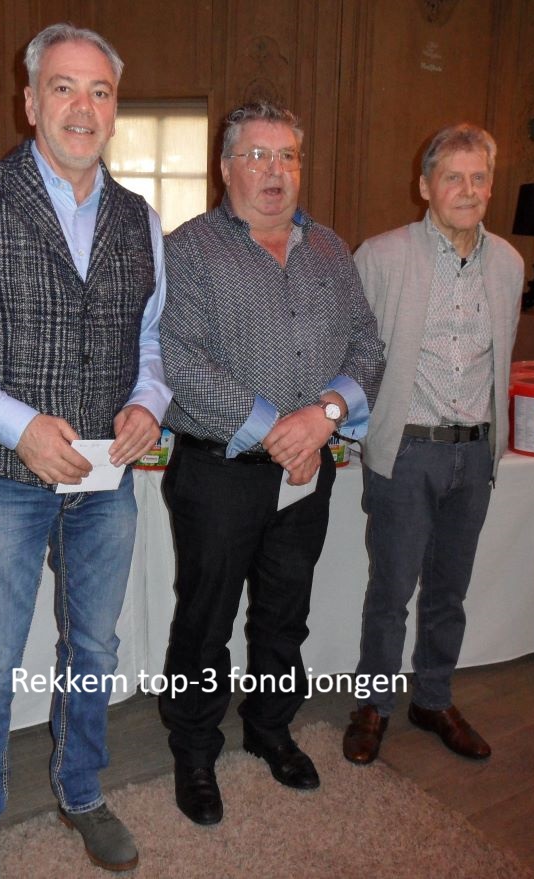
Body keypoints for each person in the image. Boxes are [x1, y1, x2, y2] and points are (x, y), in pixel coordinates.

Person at [0, 23, 169, 877]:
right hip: (0, 480)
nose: (82, 107)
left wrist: (149, 402)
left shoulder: (140, 218)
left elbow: (151, 343)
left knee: (95, 650)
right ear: (29, 102)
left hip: (105, 479)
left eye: (99, 91)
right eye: (63, 87)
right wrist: (18, 423)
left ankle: (80, 789)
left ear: (114, 107)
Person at [159, 100, 385, 827]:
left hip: (308, 469)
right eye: (257, 155)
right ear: (225, 167)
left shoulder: (331, 251)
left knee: (286, 612)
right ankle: (196, 747)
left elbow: (368, 348)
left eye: (287, 155)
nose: (274, 171)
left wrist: (323, 417)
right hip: (218, 473)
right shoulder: (188, 250)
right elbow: (175, 359)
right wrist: (277, 429)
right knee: (205, 619)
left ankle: (269, 727)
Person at [340, 124, 524, 767]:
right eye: (453, 177)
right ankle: (373, 704)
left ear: (490, 186)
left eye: (479, 178)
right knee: (391, 591)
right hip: (406, 450)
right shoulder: (381, 256)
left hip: (474, 454)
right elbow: (351, 350)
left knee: (450, 591)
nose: (467, 190)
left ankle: (434, 698)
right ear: (425, 186)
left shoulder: (509, 263)